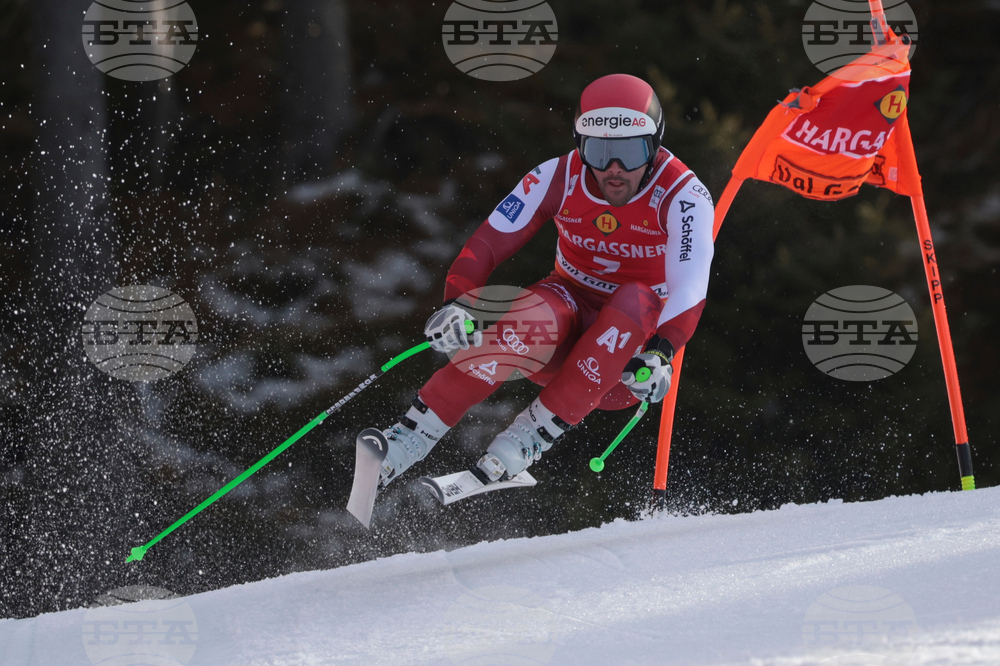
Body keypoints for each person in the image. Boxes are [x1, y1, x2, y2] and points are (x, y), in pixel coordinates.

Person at [371, 73, 715, 488]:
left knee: (635, 297)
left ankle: (526, 440)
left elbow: (692, 284)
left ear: (655, 144)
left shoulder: (683, 195)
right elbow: (488, 242)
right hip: (561, 321)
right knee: (534, 311)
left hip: (622, 365)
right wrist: (458, 304)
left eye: (631, 151)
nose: (615, 170)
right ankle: (407, 440)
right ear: (579, 144)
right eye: (599, 151)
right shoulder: (558, 176)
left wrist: (663, 352)